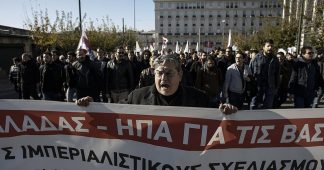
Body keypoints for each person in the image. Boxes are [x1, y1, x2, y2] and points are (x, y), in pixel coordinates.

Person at [76, 54, 238, 115]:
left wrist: (229, 112)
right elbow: (113, 114)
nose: (163, 78)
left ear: (180, 75)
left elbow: (219, 116)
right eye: (159, 73)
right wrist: (91, 107)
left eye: (169, 73)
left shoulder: (199, 99)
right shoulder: (137, 97)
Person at [249, 39, 280, 109]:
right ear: (263, 47)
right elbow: (250, 72)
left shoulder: (275, 59)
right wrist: (251, 86)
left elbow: (277, 74)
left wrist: (276, 87)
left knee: (268, 108)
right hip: (257, 87)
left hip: (270, 87)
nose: (270, 48)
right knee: (254, 106)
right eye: (268, 46)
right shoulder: (256, 58)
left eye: (271, 46)